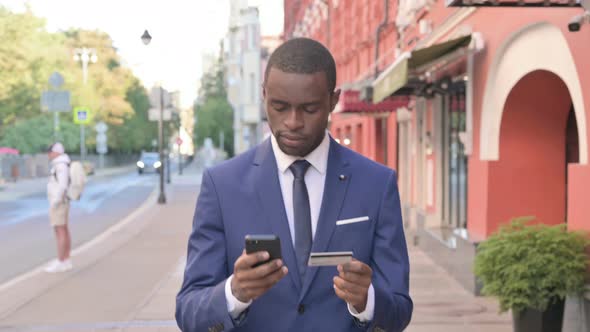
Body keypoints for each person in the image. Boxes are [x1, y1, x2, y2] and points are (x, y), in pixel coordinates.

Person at [176, 38, 412, 332]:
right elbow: (188, 311)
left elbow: (400, 309)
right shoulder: (222, 185)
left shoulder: (377, 184)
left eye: (309, 109)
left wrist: (367, 302)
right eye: (279, 106)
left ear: (333, 101)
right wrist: (234, 293)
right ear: (264, 96)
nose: (293, 122)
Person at [45, 142, 73, 273]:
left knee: (60, 231)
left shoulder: (60, 165)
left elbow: (62, 185)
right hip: (62, 201)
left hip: (59, 202)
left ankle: (61, 261)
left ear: (56, 152)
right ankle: (65, 260)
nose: (48, 154)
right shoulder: (62, 163)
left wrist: (55, 201)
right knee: (64, 230)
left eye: (50, 151)